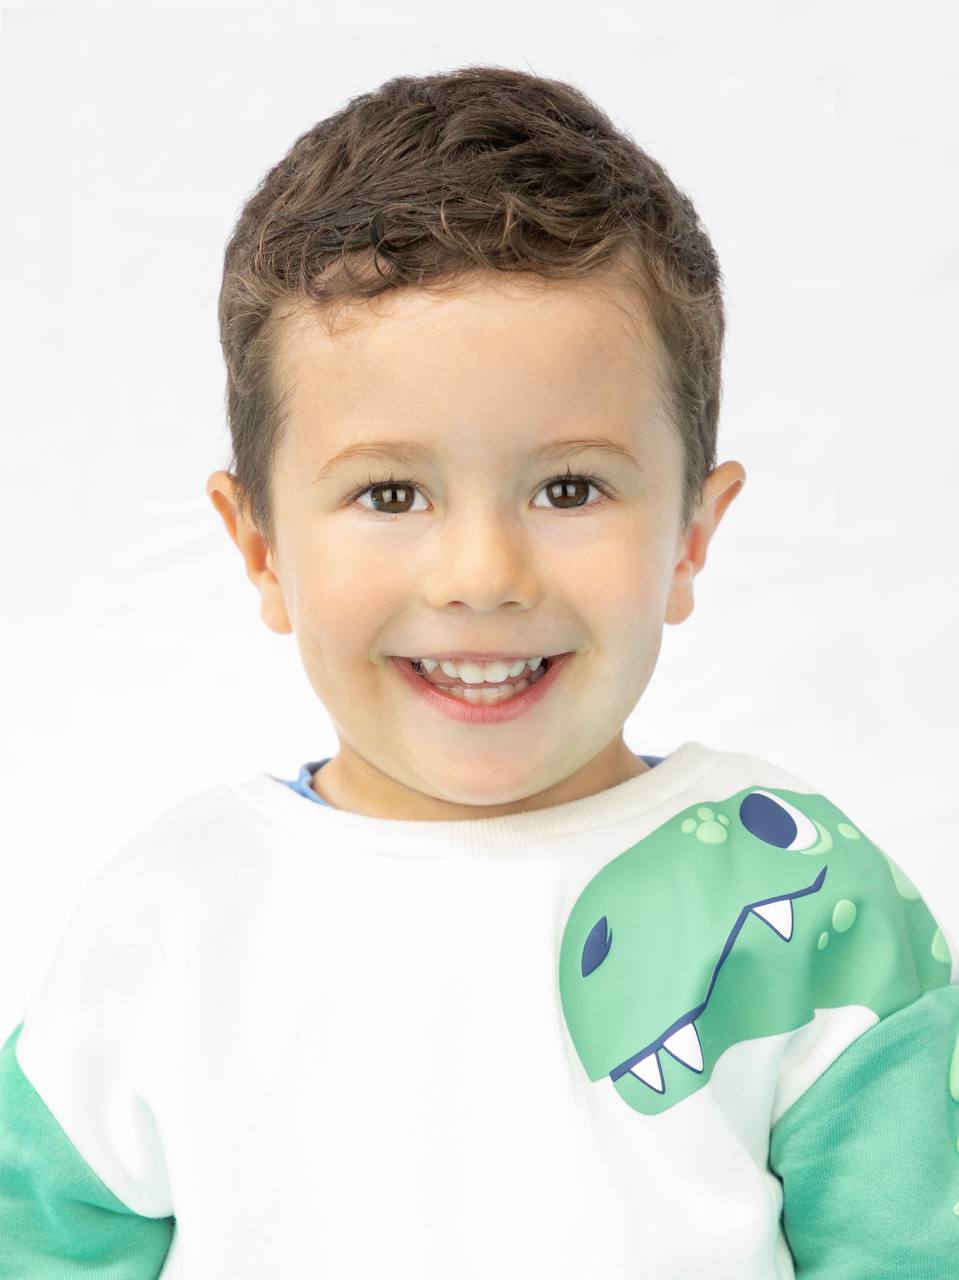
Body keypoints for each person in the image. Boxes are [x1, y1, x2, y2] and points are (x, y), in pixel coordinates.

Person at [1, 65, 957, 1280]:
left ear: (689, 534)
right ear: (261, 548)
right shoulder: (172, 917)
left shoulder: (799, 891)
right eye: (390, 493)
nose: (481, 573)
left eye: (568, 486)